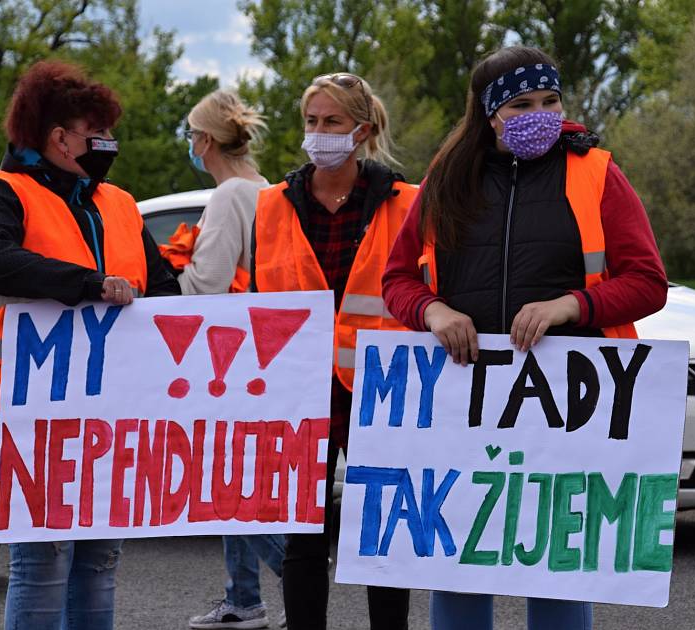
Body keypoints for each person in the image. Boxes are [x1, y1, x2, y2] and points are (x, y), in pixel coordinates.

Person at [381, 46, 667, 630]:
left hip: (567, 411)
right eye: (521, 104)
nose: (542, 113)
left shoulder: (597, 172)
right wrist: (432, 311)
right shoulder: (445, 179)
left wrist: (573, 305)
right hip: (463, 412)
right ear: (489, 114)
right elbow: (397, 279)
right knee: (458, 568)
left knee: (558, 570)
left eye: (551, 100)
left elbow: (648, 282)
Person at [0, 60, 180, 630]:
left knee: (99, 560)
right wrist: (88, 286)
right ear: (60, 138)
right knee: (43, 562)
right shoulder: (1, 193)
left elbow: (163, 290)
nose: (109, 145)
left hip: (111, 411)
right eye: (96, 133)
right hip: (24, 412)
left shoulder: (120, 204)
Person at [251, 72, 415, 630]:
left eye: (332, 122)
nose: (318, 133)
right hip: (300, 393)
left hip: (383, 389)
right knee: (303, 537)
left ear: (362, 131)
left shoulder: (405, 202)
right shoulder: (271, 204)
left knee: (383, 537)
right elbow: (254, 299)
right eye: (311, 121)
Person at [170, 89, 287, 630]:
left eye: (192, 136)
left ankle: (298, 574)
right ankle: (243, 597)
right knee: (239, 474)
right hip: (262, 353)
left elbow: (205, 286)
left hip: (227, 357)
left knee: (224, 483)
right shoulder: (265, 190)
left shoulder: (226, 197)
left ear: (206, 141)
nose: (191, 146)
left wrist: (171, 266)